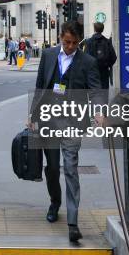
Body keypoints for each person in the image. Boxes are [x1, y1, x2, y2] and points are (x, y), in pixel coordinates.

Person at [30, 20, 104, 243]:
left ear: (79, 40)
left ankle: (73, 222)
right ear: (60, 38)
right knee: (52, 168)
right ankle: (55, 202)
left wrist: (99, 111)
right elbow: (40, 86)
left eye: (73, 43)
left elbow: (96, 91)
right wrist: (32, 115)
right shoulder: (49, 55)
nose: (69, 47)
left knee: (70, 168)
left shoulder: (88, 62)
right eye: (66, 42)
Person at [84, 22, 117, 90]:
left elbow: (85, 57)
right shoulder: (107, 41)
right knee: (104, 94)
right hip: (104, 72)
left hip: (92, 72)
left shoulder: (89, 42)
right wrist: (107, 65)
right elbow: (114, 57)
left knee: (93, 94)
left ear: (94, 29)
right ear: (102, 29)